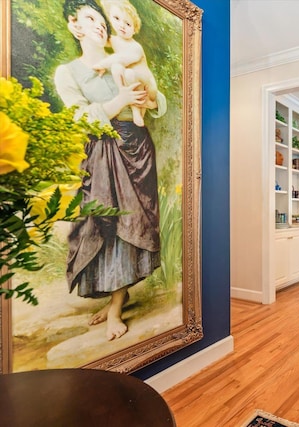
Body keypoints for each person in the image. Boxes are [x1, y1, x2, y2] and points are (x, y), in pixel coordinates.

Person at [55, 0, 166, 340]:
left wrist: (149, 100)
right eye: (90, 18)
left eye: (101, 17)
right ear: (75, 25)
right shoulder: (69, 72)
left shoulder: (124, 54)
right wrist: (119, 101)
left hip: (137, 147)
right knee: (105, 225)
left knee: (132, 223)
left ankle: (116, 306)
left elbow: (156, 99)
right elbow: (79, 117)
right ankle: (114, 301)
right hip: (102, 151)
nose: (101, 23)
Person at [92, 0, 157, 127]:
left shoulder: (135, 47)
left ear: (134, 30)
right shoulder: (114, 40)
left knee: (127, 72)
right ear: (110, 18)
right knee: (118, 68)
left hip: (148, 86)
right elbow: (101, 42)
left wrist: (102, 65)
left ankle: (136, 110)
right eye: (116, 18)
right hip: (131, 82)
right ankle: (124, 94)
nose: (121, 25)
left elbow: (121, 58)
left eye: (127, 24)